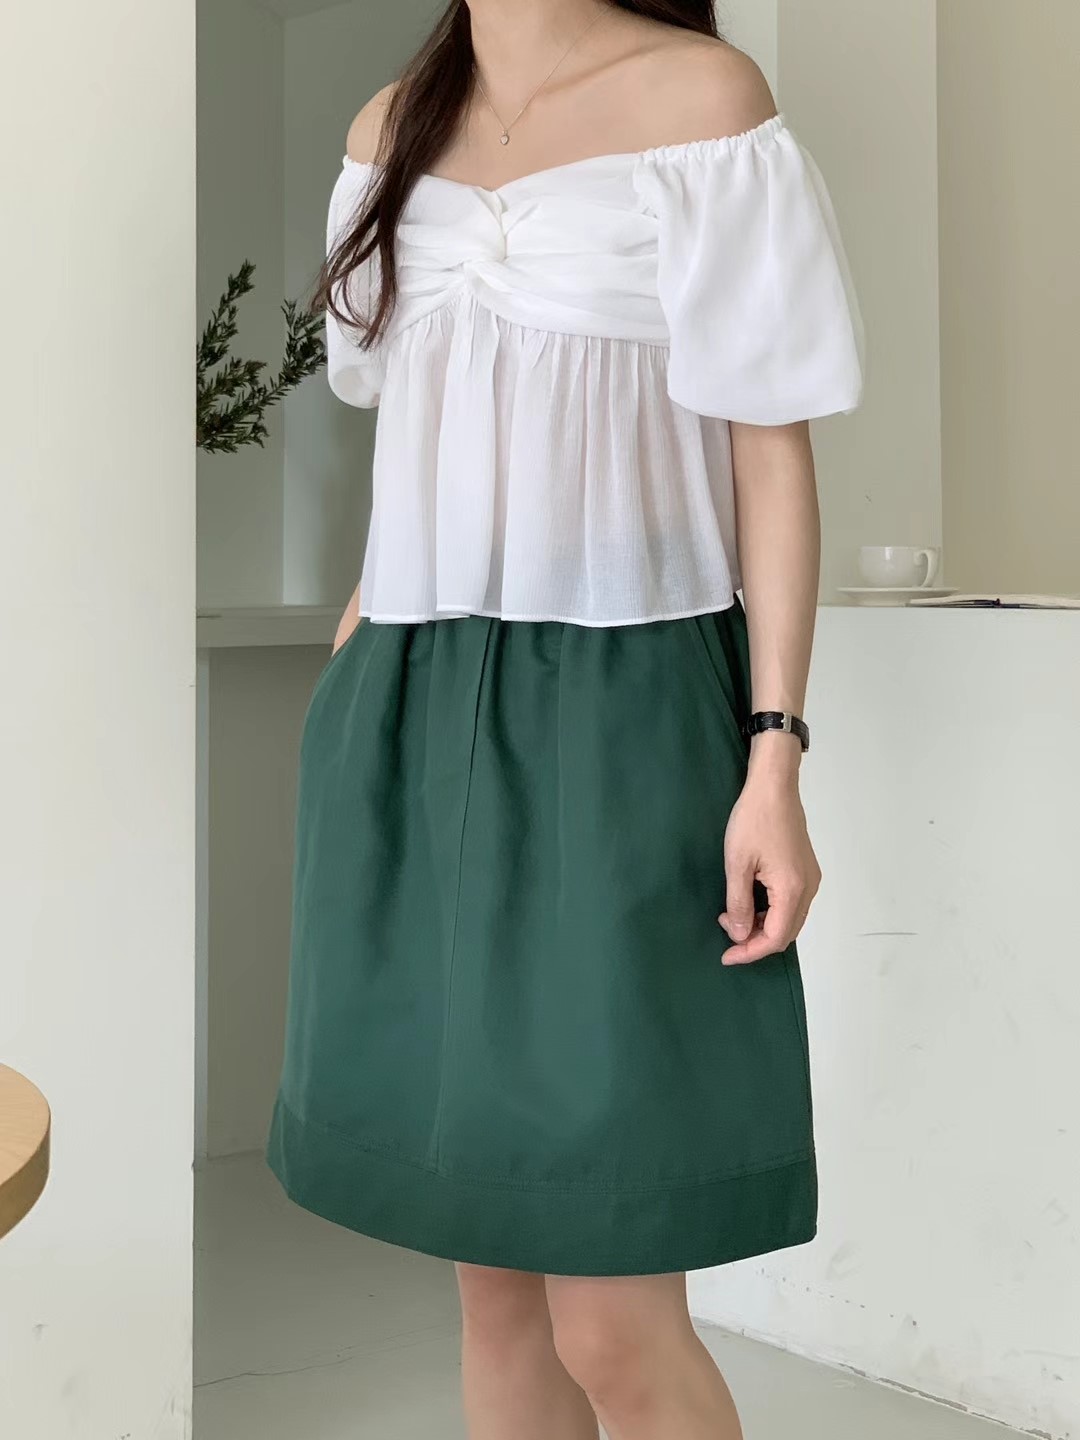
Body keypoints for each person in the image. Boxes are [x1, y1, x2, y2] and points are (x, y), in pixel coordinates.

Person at [266, 2, 864, 1435]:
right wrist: (354, 688)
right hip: (406, 699)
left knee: (613, 1313)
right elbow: (413, 435)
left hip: (628, 711)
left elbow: (769, 453)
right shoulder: (390, 127)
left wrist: (773, 750)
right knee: (493, 1290)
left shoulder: (704, 101)